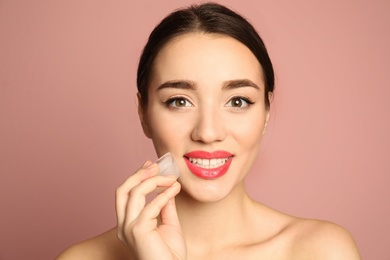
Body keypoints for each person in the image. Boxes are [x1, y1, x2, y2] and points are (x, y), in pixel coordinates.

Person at [57, 2, 361, 259]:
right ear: (143, 113)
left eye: (238, 101)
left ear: (267, 111)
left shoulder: (321, 250)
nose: (208, 131)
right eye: (179, 101)